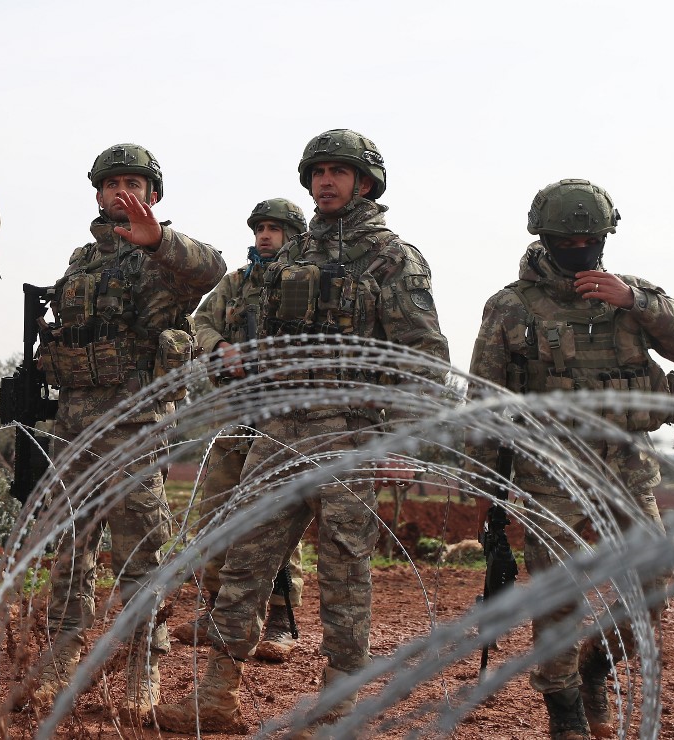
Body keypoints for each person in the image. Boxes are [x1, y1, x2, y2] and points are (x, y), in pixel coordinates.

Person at [155, 129, 450, 733]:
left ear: (365, 182)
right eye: (317, 171)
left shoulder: (394, 259)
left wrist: (407, 440)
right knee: (246, 557)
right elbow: (248, 329)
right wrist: (226, 353)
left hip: (353, 434)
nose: (326, 180)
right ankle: (215, 693)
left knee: (345, 570)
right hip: (280, 430)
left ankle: (340, 701)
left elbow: (425, 355)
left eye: (339, 172)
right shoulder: (289, 258)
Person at [466, 179, 674, 740]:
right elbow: (481, 402)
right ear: (545, 238)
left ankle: (594, 668)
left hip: (625, 471)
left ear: (604, 237)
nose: (580, 247)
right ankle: (564, 707)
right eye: (567, 239)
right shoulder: (510, 307)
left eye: (590, 238)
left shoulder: (631, 295)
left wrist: (636, 302)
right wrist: (487, 490)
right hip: (549, 477)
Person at [27, 143, 226, 723]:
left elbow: (212, 268)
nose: (121, 192)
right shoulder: (81, 260)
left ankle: (144, 662)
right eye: (111, 183)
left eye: (133, 183)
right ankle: (63, 651)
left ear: (154, 195)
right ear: (96, 193)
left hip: (137, 422)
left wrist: (158, 239)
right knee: (71, 543)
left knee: (140, 545)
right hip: (75, 422)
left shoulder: (167, 260)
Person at [174, 198, 308, 662]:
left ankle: (279, 620)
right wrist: (222, 348)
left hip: (283, 418)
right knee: (214, 513)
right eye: (261, 228)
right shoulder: (236, 283)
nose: (266, 236)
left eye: (276, 229)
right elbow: (200, 324)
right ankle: (216, 611)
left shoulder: (304, 281)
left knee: (274, 523)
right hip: (234, 416)